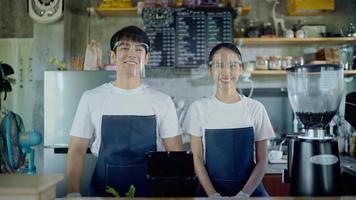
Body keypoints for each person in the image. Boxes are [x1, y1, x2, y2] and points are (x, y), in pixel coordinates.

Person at [66, 26, 183, 197]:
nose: (132, 54)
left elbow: (175, 155)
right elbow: (76, 149)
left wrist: (174, 193)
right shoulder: (91, 98)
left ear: (147, 58)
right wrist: (73, 192)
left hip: (150, 192)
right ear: (112, 56)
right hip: (103, 191)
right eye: (124, 47)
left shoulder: (162, 101)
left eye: (139, 49)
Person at [183, 43, 275, 198]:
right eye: (219, 65)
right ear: (210, 70)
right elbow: (197, 158)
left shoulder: (255, 108)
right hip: (209, 191)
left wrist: (244, 194)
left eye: (232, 65)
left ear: (240, 68)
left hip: (252, 192)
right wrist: (212, 195)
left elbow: (263, 159)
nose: (226, 72)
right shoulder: (198, 108)